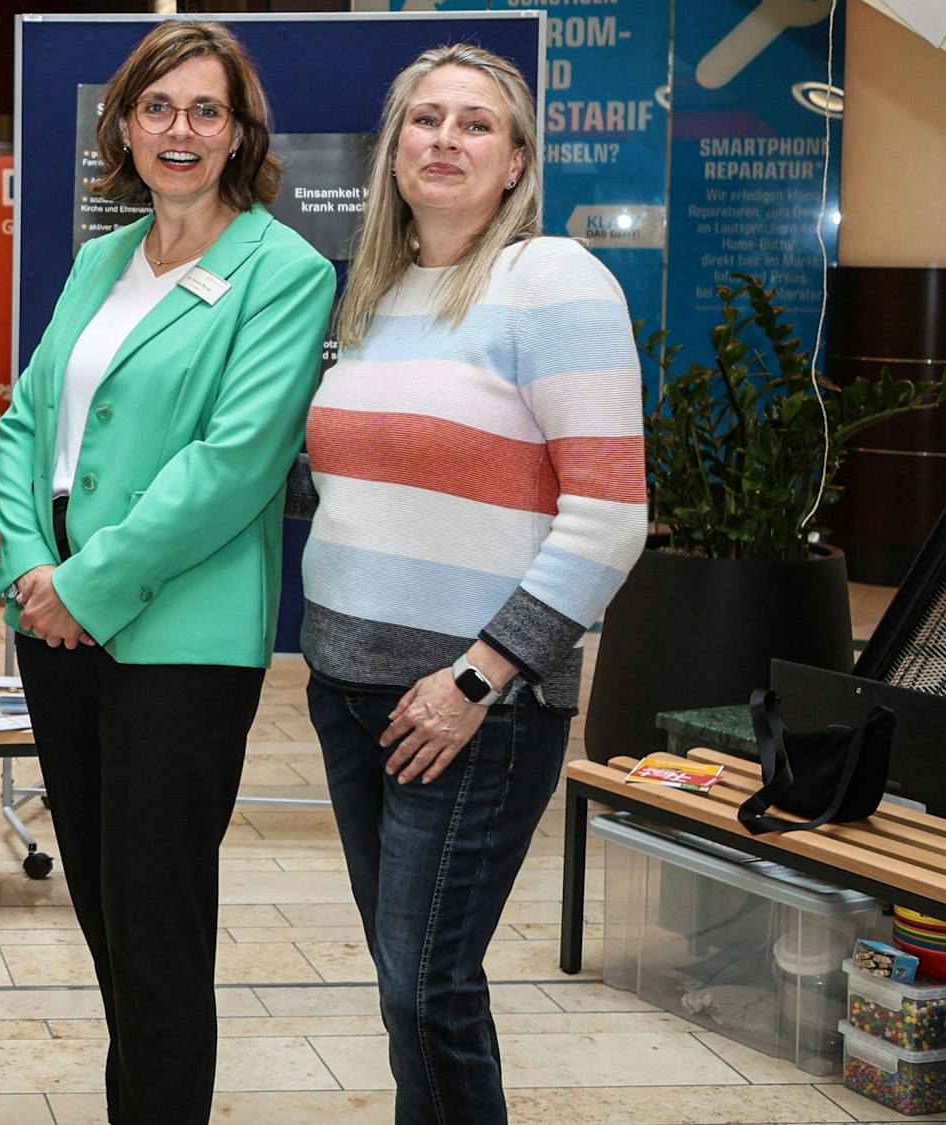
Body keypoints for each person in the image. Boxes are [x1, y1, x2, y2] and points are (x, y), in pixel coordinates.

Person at [292, 44, 647, 1124]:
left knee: (426, 987)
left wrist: (479, 678)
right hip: (349, 695)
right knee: (412, 991)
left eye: (474, 124)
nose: (444, 140)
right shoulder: (381, 291)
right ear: (392, 148)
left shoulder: (552, 280)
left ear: (515, 160)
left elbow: (610, 517)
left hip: (469, 707)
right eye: (424, 119)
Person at [0, 19, 334, 1123]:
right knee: (104, 919)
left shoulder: (279, 269)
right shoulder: (104, 256)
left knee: (158, 929)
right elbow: (25, 424)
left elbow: (232, 464)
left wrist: (84, 583)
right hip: (61, 632)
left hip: (178, 639)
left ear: (240, 133)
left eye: (204, 110)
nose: (178, 131)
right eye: (157, 108)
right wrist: (29, 570)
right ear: (124, 125)